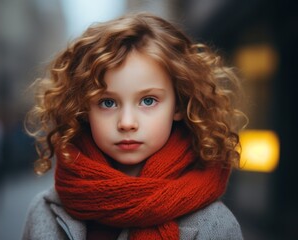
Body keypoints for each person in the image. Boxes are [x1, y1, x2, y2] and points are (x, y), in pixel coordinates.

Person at [22, 12, 246, 240]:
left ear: (178, 105)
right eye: (107, 102)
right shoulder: (44, 212)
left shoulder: (214, 225)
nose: (127, 123)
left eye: (148, 100)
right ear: (83, 109)